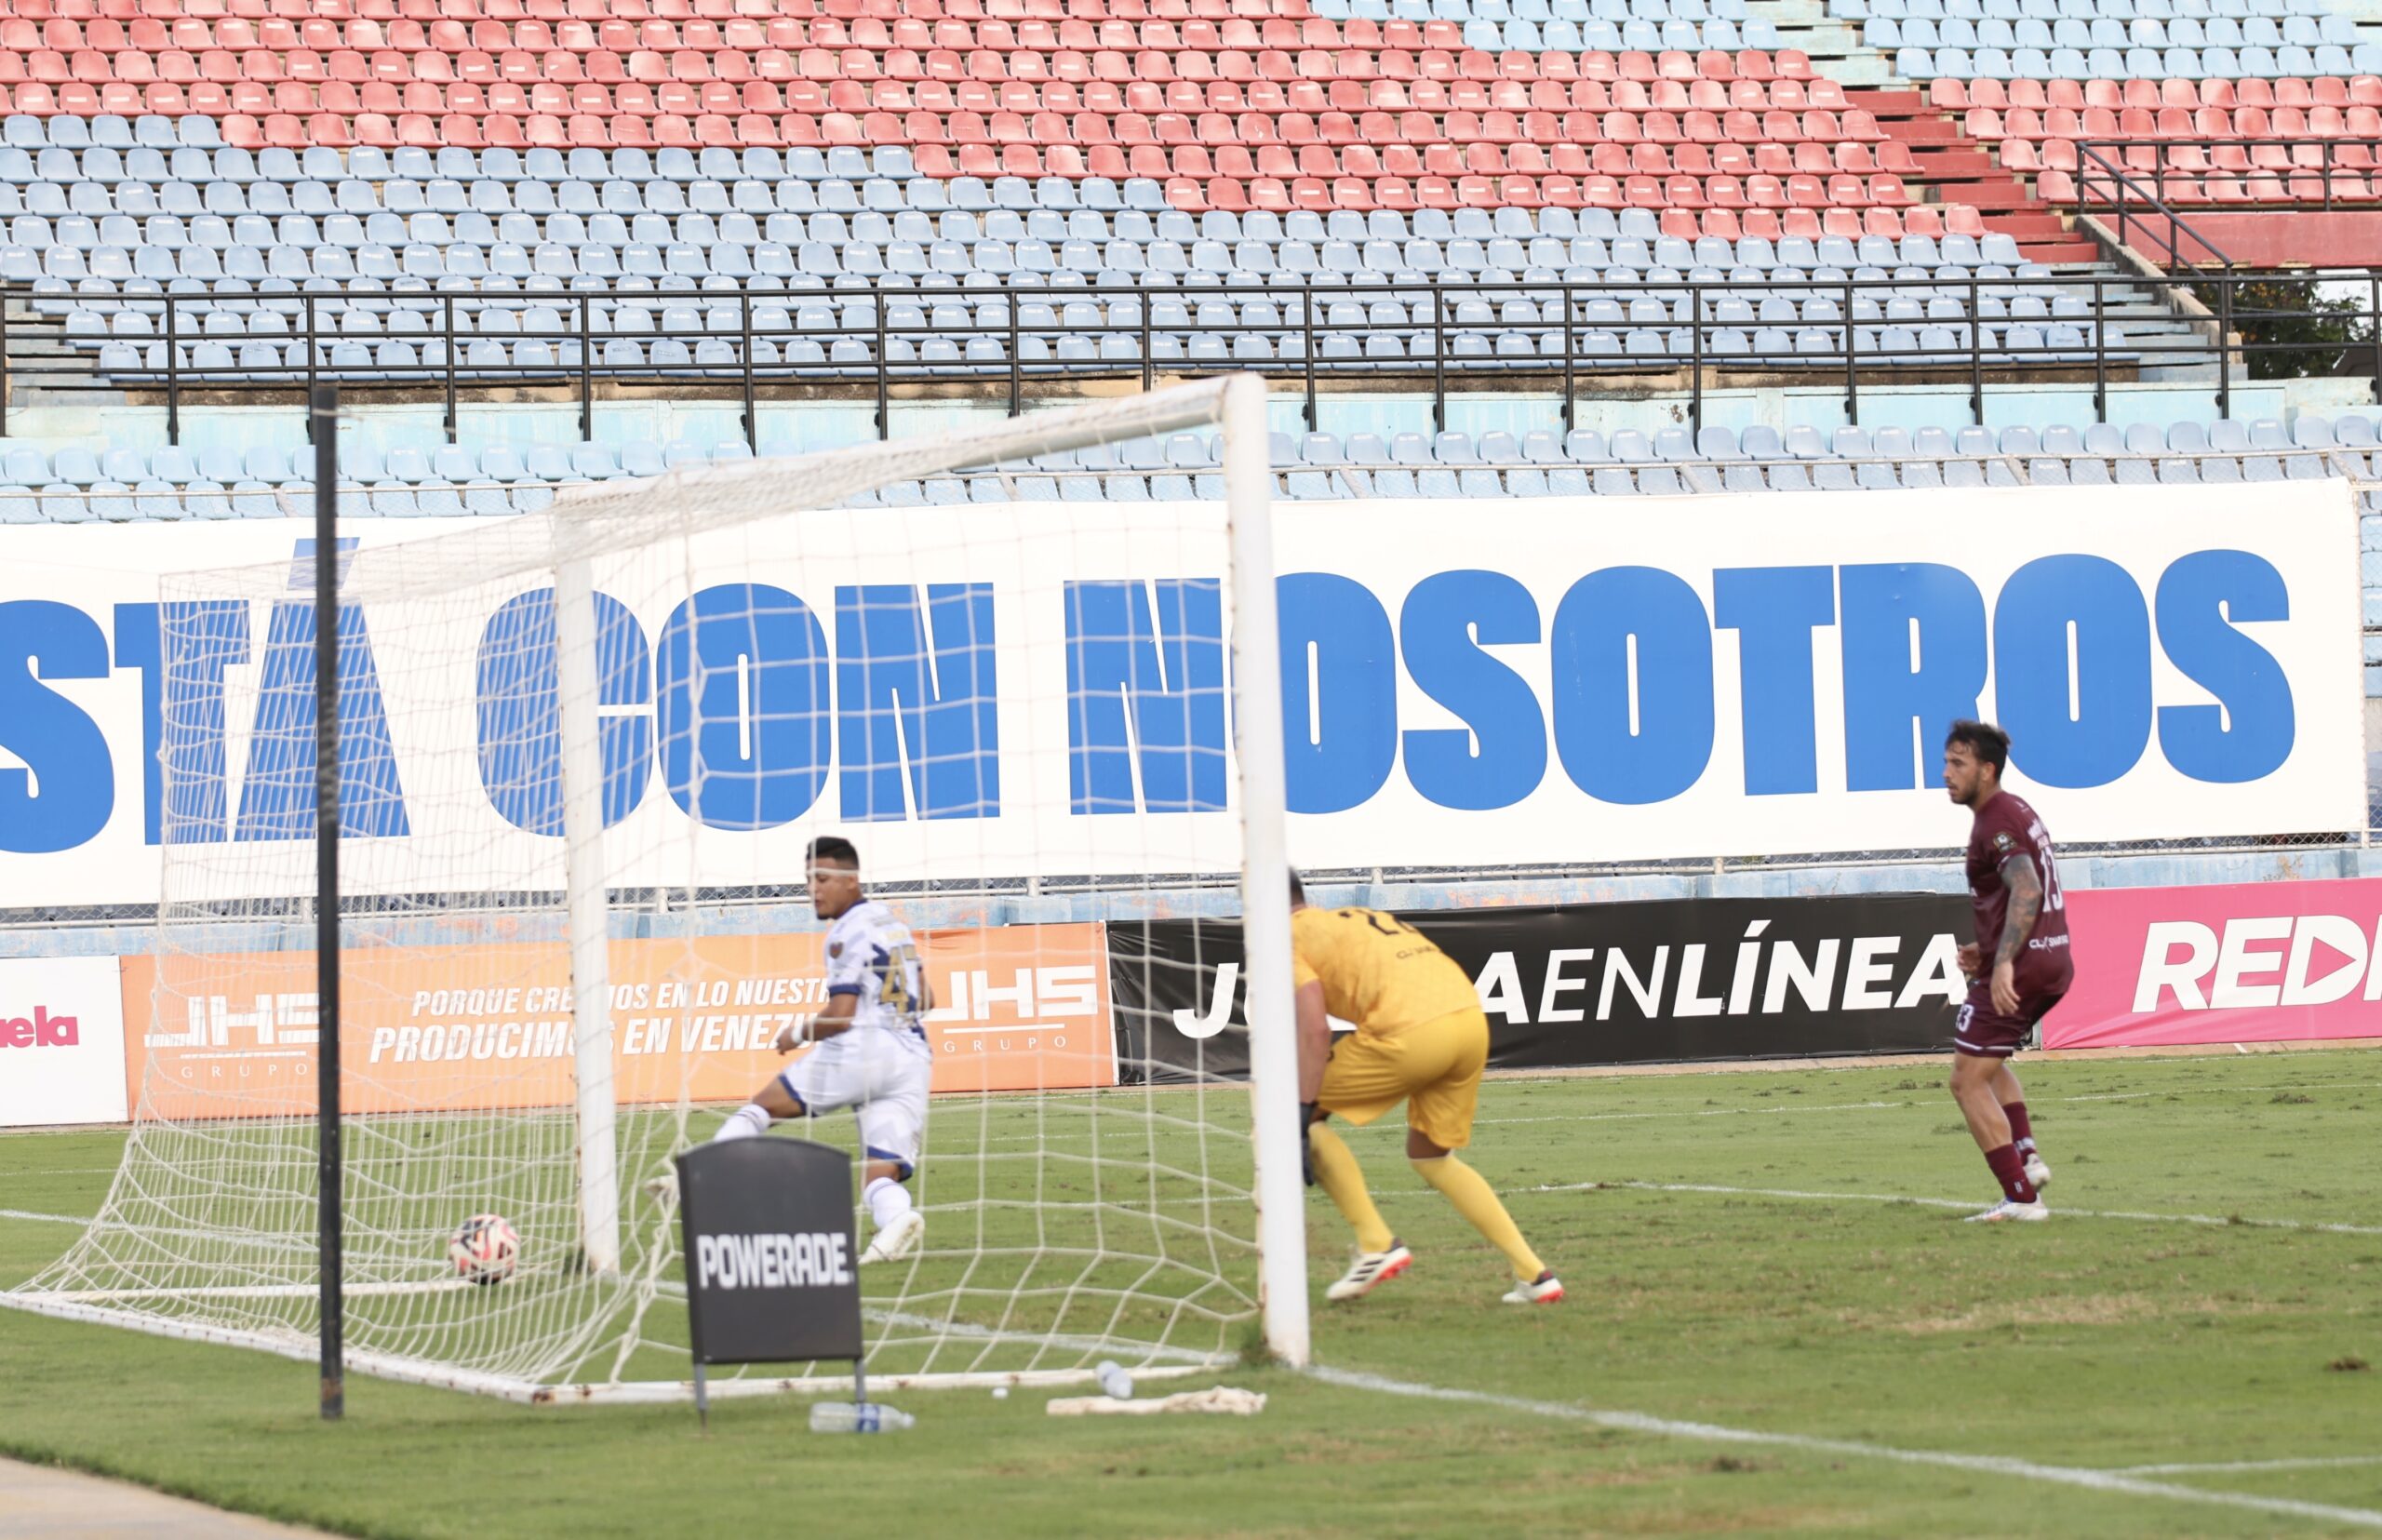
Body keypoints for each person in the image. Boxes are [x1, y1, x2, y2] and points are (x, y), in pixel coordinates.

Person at [1289, 872, 1560, 1304]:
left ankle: (1375, 1243)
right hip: (1471, 1021)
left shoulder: (1283, 939)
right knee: (1431, 1157)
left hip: (1411, 1032)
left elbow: (1315, 1031)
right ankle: (1534, 1273)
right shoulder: (1357, 915)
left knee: (1288, 1114)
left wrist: (1302, 1110)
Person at [699, 836, 931, 1265]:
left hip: (866, 1049)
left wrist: (797, 1033)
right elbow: (929, 998)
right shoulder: (892, 923)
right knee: (880, 1172)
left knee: (762, 1108)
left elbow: (841, 1015)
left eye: (822, 878)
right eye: (809, 879)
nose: (813, 889)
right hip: (911, 1055)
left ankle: (699, 1180)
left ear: (851, 880)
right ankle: (898, 1219)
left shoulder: (844, 933)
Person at [1943, 720, 2069, 1223]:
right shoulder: (2017, 809)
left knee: (1965, 1081)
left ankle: (2021, 1198)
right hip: (2054, 959)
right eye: (1947, 762)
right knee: (1986, 1065)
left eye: (1959, 764)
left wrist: (2004, 962)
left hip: (2025, 963)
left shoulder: (1994, 820)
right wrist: (1988, 948)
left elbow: (2027, 889)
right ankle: (2028, 1158)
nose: (1947, 774)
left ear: (1987, 770)